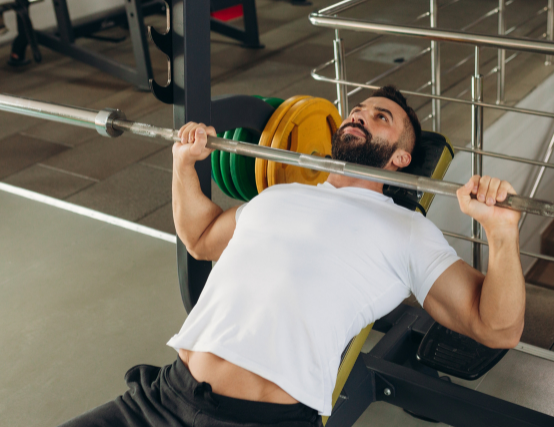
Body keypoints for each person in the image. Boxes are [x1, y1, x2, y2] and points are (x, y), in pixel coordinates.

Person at [60, 86, 526, 427]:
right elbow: (202, 236)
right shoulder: (279, 195)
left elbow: (497, 327)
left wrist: (501, 234)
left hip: (259, 421)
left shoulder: (409, 231)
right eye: (355, 110)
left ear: (402, 158)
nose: (357, 117)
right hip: (163, 398)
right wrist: (184, 165)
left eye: (379, 116)